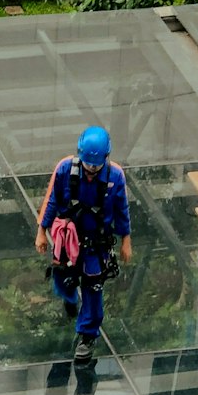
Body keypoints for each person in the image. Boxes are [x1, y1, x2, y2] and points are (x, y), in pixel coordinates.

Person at [35, 125, 132, 363]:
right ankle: (69, 299)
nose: (91, 170)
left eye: (95, 166)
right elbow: (52, 200)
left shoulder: (115, 176)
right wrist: (42, 231)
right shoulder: (65, 169)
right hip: (67, 240)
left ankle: (88, 335)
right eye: (88, 165)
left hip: (95, 244)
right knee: (62, 279)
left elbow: (122, 209)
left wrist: (126, 239)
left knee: (93, 287)